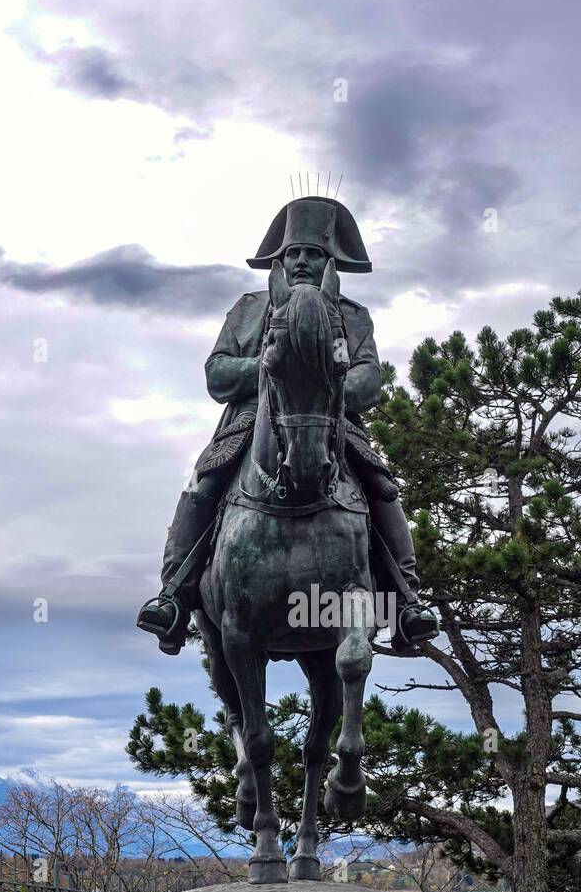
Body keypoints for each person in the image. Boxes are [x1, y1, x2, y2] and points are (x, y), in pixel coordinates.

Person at [137, 195, 439, 655]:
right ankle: (173, 595)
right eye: (292, 254)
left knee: (383, 488)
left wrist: (324, 374)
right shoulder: (248, 309)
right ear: (279, 261)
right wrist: (268, 365)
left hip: (332, 423)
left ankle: (406, 603)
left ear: (329, 261)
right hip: (250, 424)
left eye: (312, 253)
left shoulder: (353, 317)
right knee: (203, 484)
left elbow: (369, 382)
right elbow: (217, 373)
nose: (300, 261)